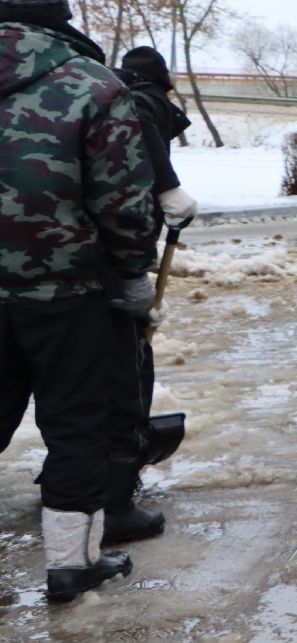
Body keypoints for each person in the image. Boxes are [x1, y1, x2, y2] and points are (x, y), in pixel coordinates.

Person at [0, 0, 158, 602]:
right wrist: (131, 273)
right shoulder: (94, 86)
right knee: (76, 426)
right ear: (61, 17)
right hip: (68, 294)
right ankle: (71, 563)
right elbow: (122, 200)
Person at [100, 46, 196, 542]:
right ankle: (116, 479)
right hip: (108, 263)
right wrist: (169, 189)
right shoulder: (139, 101)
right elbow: (142, 125)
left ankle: (77, 470)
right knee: (130, 362)